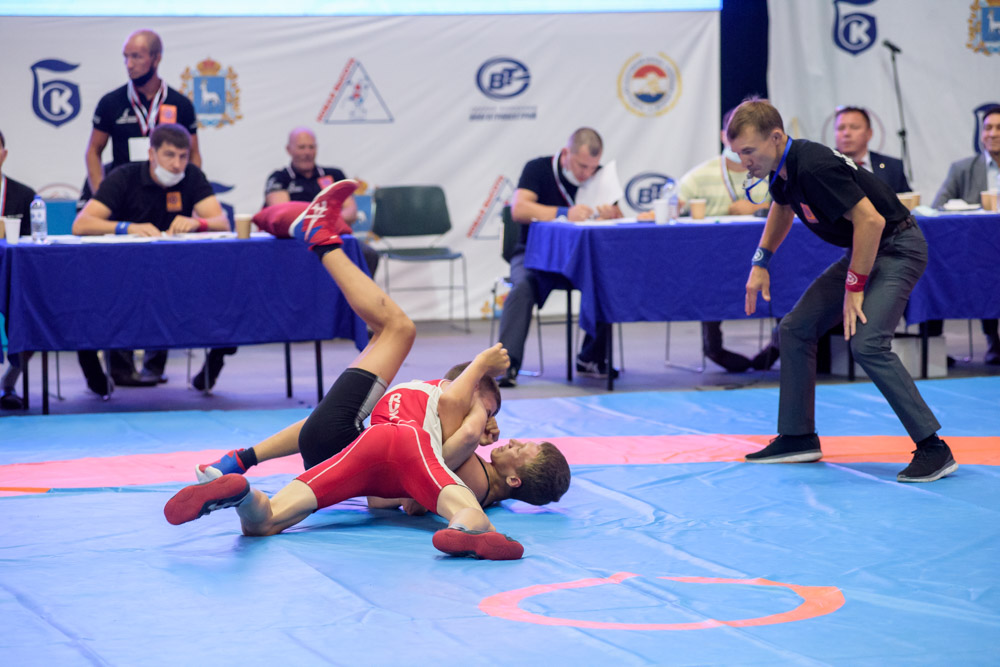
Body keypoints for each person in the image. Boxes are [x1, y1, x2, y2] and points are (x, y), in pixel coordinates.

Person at [165, 193, 569, 559]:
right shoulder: (460, 446)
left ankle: (321, 238)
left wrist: (480, 383)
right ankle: (246, 499)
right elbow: (406, 493)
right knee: (265, 520)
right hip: (374, 447)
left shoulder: (465, 436)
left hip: (374, 442)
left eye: (524, 448)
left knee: (396, 330)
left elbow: (439, 458)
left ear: (514, 479)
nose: (511, 437)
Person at [729, 98, 957, 483]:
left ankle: (934, 448)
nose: (744, 161)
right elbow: (782, 207)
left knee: (868, 343)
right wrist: (760, 261)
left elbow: (871, 221)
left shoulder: (813, 166)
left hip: (898, 248)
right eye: (738, 153)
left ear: (776, 137)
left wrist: (855, 285)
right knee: (795, 328)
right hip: (867, 250)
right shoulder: (783, 166)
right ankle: (798, 437)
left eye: (749, 151)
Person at [76, 29, 201, 393]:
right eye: (126, 57)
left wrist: (189, 195)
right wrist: (103, 196)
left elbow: (193, 155)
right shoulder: (112, 102)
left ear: (156, 59)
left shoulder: (180, 103)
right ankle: (120, 365)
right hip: (121, 195)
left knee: (163, 276)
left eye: (136, 56)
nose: (129, 64)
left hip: (164, 196)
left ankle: (155, 365)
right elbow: (93, 151)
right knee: (119, 281)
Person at [73, 124, 234, 391]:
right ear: (151, 154)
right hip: (121, 271)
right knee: (94, 302)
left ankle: (211, 364)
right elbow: (81, 224)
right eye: (169, 155)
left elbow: (222, 222)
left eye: (183, 156)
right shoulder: (124, 176)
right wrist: (126, 228)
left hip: (173, 272)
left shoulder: (191, 176)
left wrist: (198, 223)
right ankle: (102, 372)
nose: (177, 164)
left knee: (225, 295)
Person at [497, 127, 623, 387]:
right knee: (522, 288)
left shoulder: (600, 176)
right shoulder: (538, 168)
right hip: (535, 254)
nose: (586, 173)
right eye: (582, 166)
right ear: (566, 154)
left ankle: (591, 358)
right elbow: (519, 209)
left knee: (607, 280)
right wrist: (564, 213)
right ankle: (506, 366)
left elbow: (619, 216)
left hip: (581, 259)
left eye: (592, 167)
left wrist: (610, 214)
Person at [665, 107, 775, 372]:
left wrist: (760, 208)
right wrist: (669, 207)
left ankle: (779, 346)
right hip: (718, 258)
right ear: (724, 136)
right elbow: (672, 203)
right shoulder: (701, 174)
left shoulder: (772, 170)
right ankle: (712, 347)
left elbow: (795, 204)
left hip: (769, 254)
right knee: (707, 277)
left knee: (789, 276)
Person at [929, 105, 1000, 364]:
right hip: (975, 252)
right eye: (988, 128)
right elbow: (937, 206)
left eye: (999, 128)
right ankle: (989, 339)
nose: (992, 134)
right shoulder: (962, 169)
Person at [264, 127, 379, 276]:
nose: (307, 152)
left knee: (368, 255)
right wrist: (325, 220)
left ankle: (360, 292)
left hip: (332, 238)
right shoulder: (279, 178)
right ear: (289, 149)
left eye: (311, 147)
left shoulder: (334, 174)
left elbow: (350, 211)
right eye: (301, 147)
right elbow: (283, 215)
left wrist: (320, 224)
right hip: (293, 242)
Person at [0, 129, 37, 410]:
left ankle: (8, 383)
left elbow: (33, 244)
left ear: (4, 154)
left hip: (14, 279)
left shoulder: (24, 194)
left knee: (35, 315)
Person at [833, 106, 911, 193]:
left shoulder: (893, 167)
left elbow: (907, 200)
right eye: (840, 128)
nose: (846, 133)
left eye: (854, 127)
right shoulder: (825, 167)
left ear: (869, 133)